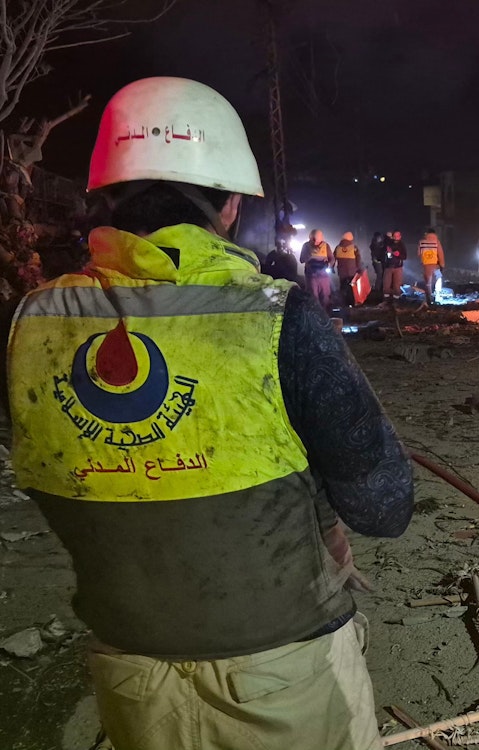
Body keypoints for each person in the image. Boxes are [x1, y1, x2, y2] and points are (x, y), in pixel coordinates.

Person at [3, 77, 413, 750]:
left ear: (104, 197)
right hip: (284, 670)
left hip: (131, 675)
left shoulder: (27, 323)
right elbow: (385, 507)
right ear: (229, 205)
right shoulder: (276, 316)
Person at [299, 228, 334, 309]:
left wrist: (328, 264)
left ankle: (325, 313)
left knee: (325, 297)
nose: (315, 243)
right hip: (311, 276)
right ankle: (315, 314)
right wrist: (309, 257)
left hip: (324, 276)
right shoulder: (306, 246)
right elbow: (301, 259)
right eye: (313, 241)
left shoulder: (326, 246)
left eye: (317, 241)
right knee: (313, 297)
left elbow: (332, 259)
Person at [333, 231, 363, 307]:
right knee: (351, 288)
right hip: (352, 271)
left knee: (343, 287)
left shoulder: (337, 247)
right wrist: (359, 269)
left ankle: (342, 303)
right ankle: (352, 303)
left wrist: (332, 267)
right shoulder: (354, 247)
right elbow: (358, 259)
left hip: (341, 272)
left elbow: (333, 259)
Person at [417, 228, 446, 306]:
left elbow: (418, 254)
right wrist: (442, 265)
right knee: (438, 278)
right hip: (436, 265)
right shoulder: (437, 242)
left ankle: (429, 299)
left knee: (428, 283)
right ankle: (438, 295)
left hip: (426, 265)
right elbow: (440, 254)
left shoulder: (421, 242)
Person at [383, 230, 406, 302]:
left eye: (397, 236)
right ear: (392, 236)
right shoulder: (388, 243)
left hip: (398, 267)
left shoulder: (402, 245)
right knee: (386, 284)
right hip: (388, 266)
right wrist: (387, 252)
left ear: (400, 236)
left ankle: (396, 301)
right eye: (395, 236)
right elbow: (383, 253)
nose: (396, 238)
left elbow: (405, 256)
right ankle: (386, 300)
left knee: (397, 285)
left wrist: (399, 255)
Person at [368, 231, 386, 305]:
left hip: (379, 262)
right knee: (380, 276)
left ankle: (379, 289)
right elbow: (376, 254)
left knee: (381, 275)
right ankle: (378, 290)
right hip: (378, 262)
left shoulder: (377, 244)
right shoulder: (375, 245)